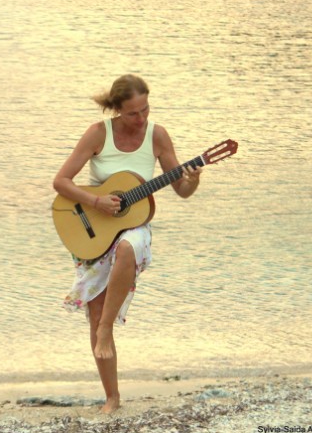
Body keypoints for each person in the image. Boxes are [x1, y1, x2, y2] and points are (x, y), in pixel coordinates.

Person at [53, 74, 202, 414]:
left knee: (127, 247)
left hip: (135, 226)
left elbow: (181, 190)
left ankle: (108, 328)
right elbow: (60, 181)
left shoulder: (157, 135)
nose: (141, 118)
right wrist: (96, 201)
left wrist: (192, 180)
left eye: (145, 109)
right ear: (117, 109)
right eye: (133, 113)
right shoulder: (98, 134)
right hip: (94, 226)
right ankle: (112, 397)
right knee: (95, 311)